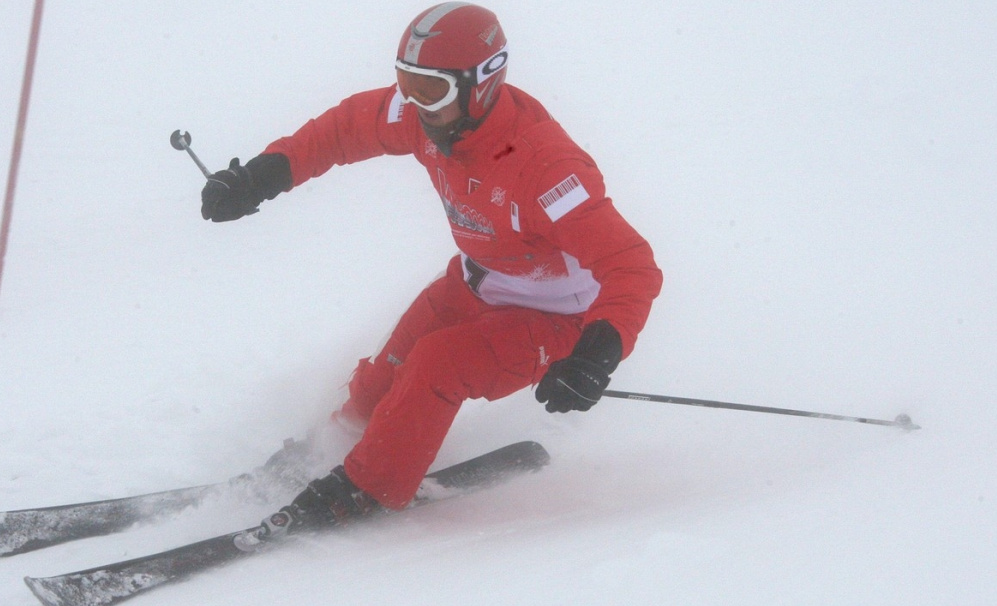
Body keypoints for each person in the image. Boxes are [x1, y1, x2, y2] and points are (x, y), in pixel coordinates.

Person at [200, 3, 662, 531]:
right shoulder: (434, 120)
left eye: (431, 90)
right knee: (386, 376)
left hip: (557, 321)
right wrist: (264, 175)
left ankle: (366, 486)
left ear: (482, 84)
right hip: (473, 283)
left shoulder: (545, 170)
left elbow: (632, 266)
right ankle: (328, 451)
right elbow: (345, 129)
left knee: (438, 364)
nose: (417, 105)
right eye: (407, 84)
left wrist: (595, 355)